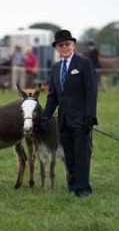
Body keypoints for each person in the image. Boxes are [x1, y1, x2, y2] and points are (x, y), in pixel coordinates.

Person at [41, 29, 98, 197]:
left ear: (73, 45)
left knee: (82, 155)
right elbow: (53, 97)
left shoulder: (84, 63)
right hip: (63, 121)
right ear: (57, 48)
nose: (64, 47)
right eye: (61, 45)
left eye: (67, 44)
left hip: (81, 120)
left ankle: (83, 189)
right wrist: (45, 116)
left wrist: (90, 117)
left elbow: (91, 92)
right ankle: (72, 186)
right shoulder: (56, 68)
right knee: (69, 155)